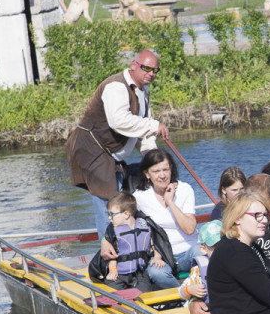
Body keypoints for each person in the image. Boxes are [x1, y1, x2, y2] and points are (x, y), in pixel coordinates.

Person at [66, 49, 168, 239]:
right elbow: (119, 121)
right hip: (92, 151)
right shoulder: (116, 86)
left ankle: (131, 247)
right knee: (109, 206)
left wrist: (154, 161)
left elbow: (143, 133)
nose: (151, 74)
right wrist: (155, 125)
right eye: (146, 68)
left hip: (113, 156)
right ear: (134, 65)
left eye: (155, 70)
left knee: (124, 199)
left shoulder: (143, 92)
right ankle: (110, 257)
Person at [207, 191, 270, 314]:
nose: (264, 220)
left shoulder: (248, 247)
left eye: (265, 214)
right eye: (257, 215)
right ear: (238, 218)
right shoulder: (235, 252)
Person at [132, 149, 200, 289]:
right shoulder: (140, 197)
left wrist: (170, 202)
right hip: (162, 255)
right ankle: (181, 299)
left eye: (166, 170)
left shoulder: (185, 190)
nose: (162, 175)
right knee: (156, 272)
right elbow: (124, 222)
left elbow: (189, 228)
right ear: (147, 174)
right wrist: (105, 241)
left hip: (189, 250)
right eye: (156, 171)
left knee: (203, 255)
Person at [89, 191, 165, 292]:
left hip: (140, 274)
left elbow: (155, 244)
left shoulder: (145, 226)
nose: (109, 217)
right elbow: (112, 257)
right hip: (118, 274)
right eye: (108, 214)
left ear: (126, 214)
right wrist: (112, 271)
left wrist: (157, 257)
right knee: (110, 293)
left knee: (144, 294)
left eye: (112, 214)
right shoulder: (113, 231)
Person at [178, 220, 222, 302]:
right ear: (203, 249)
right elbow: (181, 292)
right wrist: (189, 290)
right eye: (214, 246)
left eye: (223, 243)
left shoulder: (238, 261)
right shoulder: (198, 271)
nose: (220, 249)